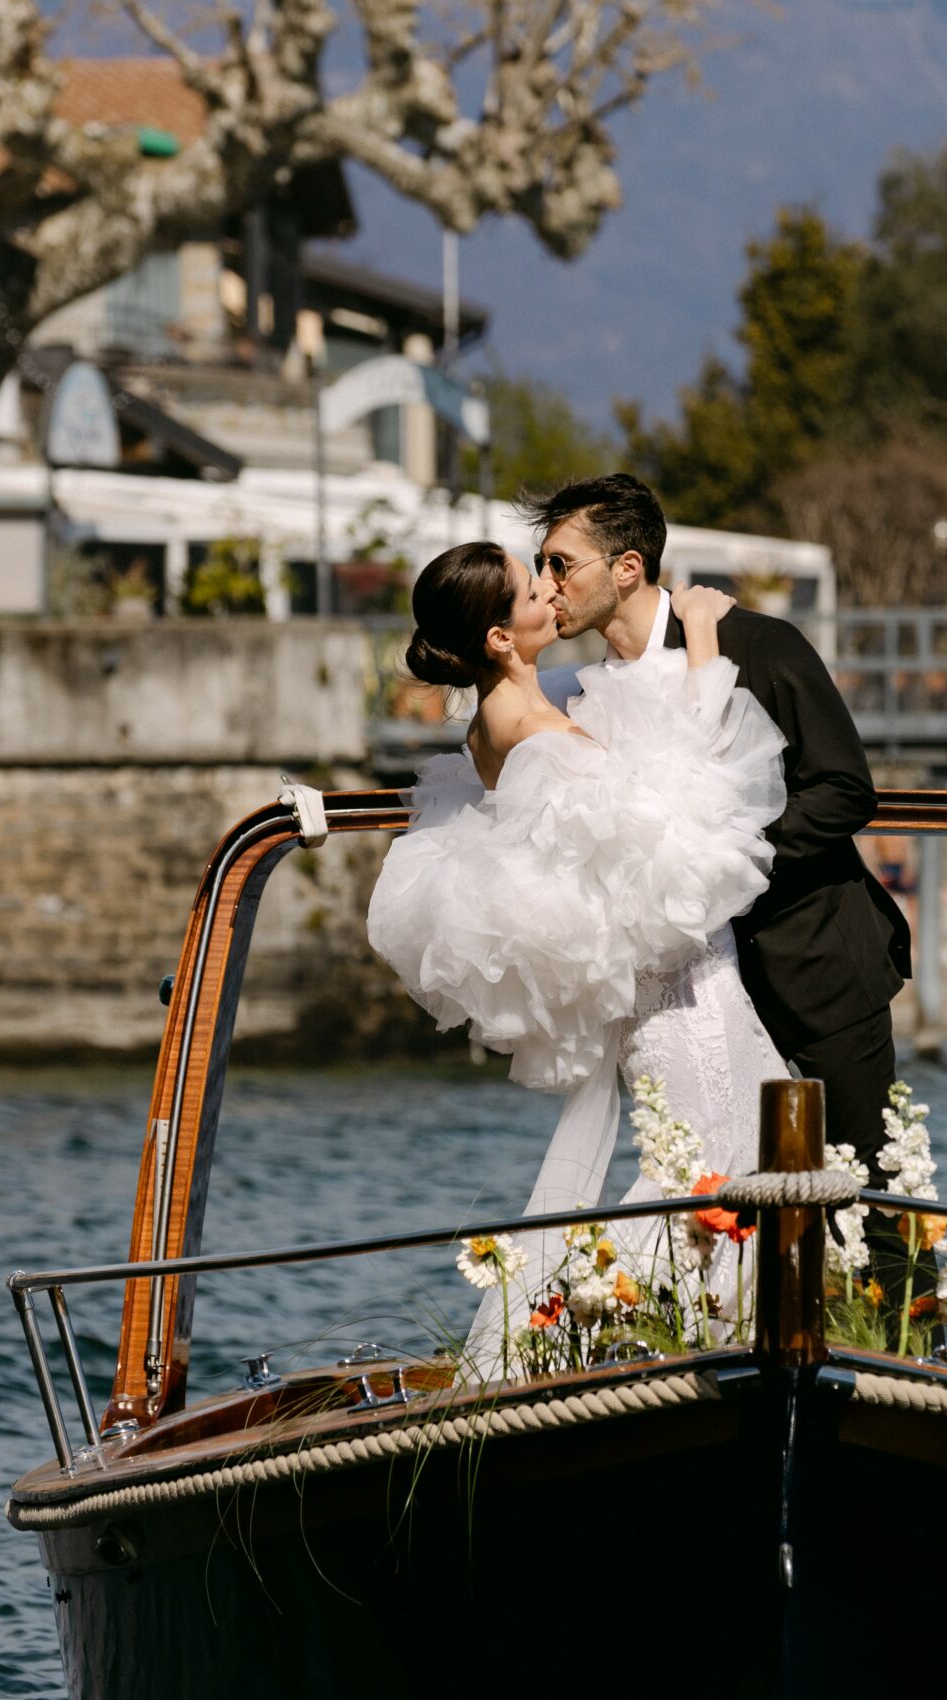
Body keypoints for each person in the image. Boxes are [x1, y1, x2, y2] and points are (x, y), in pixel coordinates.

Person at [367, 539, 781, 1358]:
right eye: (532, 591)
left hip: (660, 975)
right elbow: (681, 803)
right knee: (718, 1156)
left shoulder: (507, 717)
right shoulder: (528, 726)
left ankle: (667, 1334)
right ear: (498, 638)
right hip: (675, 985)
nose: (550, 597)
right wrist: (699, 632)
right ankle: (575, 1329)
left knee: (729, 1148)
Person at [531, 473, 913, 1273]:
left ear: (627, 568)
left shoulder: (756, 645)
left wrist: (728, 865)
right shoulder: (581, 695)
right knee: (729, 1211)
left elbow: (845, 788)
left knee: (874, 1205)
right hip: (696, 999)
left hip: (816, 966)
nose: (547, 585)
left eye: (561, 564)